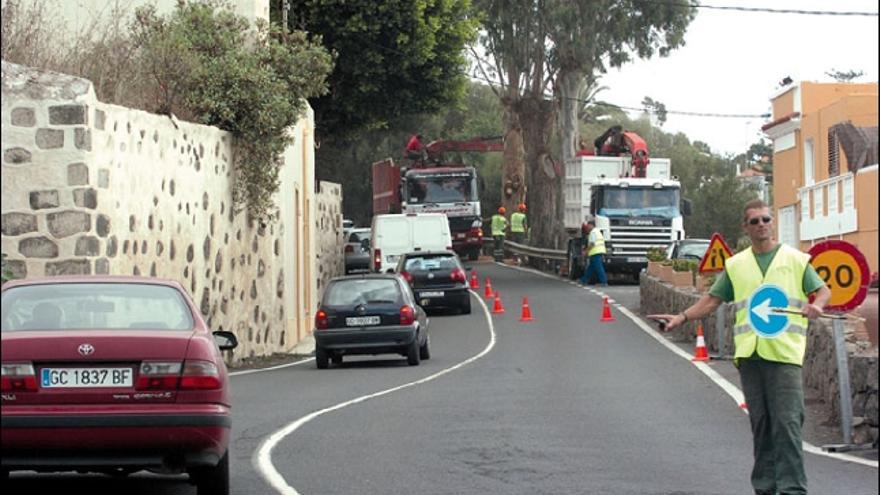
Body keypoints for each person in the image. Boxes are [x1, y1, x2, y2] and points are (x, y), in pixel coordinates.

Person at [648, 199, 831, 495]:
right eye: (755, 221)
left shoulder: (795, 260)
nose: (762, 225)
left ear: (773, 223)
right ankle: (766, 488)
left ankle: (792, 490)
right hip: (750, 357)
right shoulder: (737, 265)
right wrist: (681, 317)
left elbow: (823, 290)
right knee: (761, 427)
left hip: (784, 356)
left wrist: (817, 306)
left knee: (787, 426)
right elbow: (711, 300)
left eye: (766, 219)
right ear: (745, 228)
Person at [579, 220, 607, 286]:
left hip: (596, 252)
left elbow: (592, 243)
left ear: (592, 225)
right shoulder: (597, 231)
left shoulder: (593, 232)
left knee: (598, 267)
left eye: (588, 225)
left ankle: (604, 282)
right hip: (598, 251)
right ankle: (584, 280)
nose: (587, 227)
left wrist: (586, 251)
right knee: (591, 268)